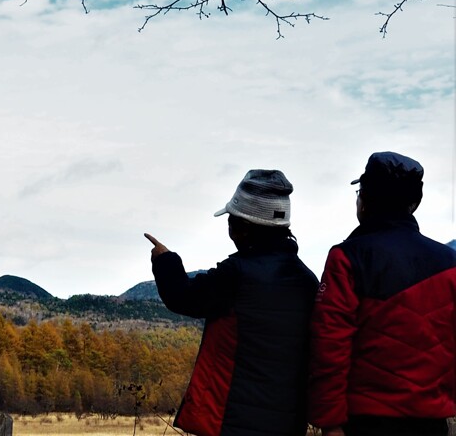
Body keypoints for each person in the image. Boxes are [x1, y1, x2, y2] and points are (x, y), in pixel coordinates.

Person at [145, 169, 318, 436]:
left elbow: (183, 297)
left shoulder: (236, 275)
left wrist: (165, 260)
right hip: (288, 423)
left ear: (244, 227)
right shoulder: (308, 281)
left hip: (231, 421)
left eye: (231, 221)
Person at [308, 151, 456, 436]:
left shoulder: (348, 257)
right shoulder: (448, 263)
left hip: (364, 421)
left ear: (366, 202)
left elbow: (329, 346)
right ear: (414, 204)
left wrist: (330, 422)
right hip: (432, 422)